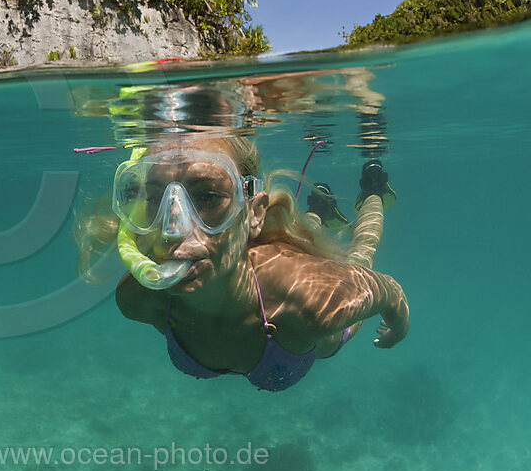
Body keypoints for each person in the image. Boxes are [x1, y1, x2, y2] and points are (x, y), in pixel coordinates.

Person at [92, 135, 408, 392]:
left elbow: (389, 290)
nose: (173, 228)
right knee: (309, 231)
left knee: (360, 254)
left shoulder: (314, 304)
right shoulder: (139, 299)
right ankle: (318, 210)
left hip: (313, 296)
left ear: (255, 214)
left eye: (208, 196)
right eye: (154, 198)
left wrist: (399, 324)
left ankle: (373, 189)